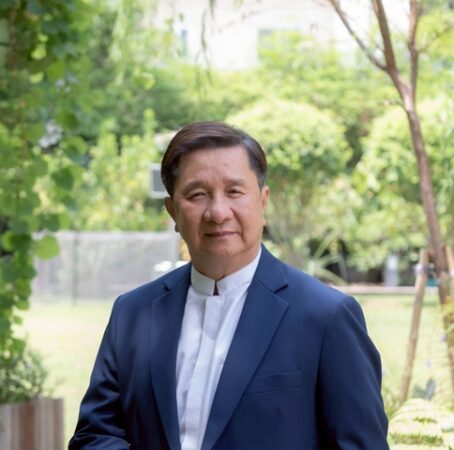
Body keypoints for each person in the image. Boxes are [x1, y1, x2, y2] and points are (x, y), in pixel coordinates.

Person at [69, 121, 389, 449]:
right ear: (173, 211)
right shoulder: (133, 313)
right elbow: (95, 435)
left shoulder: (326, 317)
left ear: (262, 202)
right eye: (197, 195)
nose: (218, 212)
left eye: (234, 192)